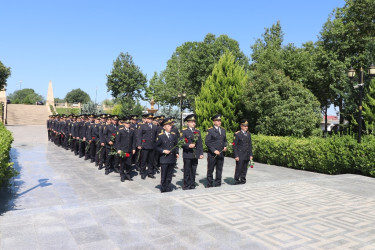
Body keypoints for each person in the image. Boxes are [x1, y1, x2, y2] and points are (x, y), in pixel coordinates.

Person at [156, 118, 179, 192]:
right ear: (164, 127)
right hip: (164, 159)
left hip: (172, 158)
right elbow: (156, 147)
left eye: (170, 126)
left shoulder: (173, 135)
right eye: (168, 126)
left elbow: (176, 145)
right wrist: (163, 151)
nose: (170, 127)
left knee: (169, 175)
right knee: (164, 175)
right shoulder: (160, 136)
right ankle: (163, 188)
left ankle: (168, 187)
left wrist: (177, 152)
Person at [181, 114, 204, 190]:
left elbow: (200, 143)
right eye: (192, 122)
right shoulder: (184, 131)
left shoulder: (197, 131)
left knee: (193, 170)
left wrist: (201, 153)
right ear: (188, 123)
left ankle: (192, 184)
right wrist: (188, 145)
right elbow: (181, 142)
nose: (194, 123)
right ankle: (186, 185)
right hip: (187, 154)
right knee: (187, 170)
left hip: (195, 154)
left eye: (194, 122)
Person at [205, 114, 227, 187]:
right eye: (217, 121)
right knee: (210, 169)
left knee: (219, 169)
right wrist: (214, 150)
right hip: (212, 154)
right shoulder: (210, 130)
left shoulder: (223, 130)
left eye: (220, 121)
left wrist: (225, 146)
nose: (219, 122)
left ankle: (218, 183)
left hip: (220, 153)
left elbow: (224, 140)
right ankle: (209, 184)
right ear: (214, 122)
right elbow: (207, 142)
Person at [137, 113, 158, 179]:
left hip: (152, 146)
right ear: (146, 119)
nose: (150, 120)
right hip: (145, 146)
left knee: (151, 160)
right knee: (144, 160)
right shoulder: (142, 126)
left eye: (151, 119)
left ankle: (150, 172)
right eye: (149, 118)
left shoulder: (155, 126)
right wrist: (139, 144)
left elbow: (156, 136)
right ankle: (142, 172)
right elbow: (139, 136)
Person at [115, 116, 136, 182]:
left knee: (129, 163)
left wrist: (133, 148)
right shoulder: (120, 131)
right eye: (127, 123)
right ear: (124, 124)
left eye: (129, 123)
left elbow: (134, 141)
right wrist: (118, 149)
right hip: (122, 149)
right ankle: (122, 175)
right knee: (122, 163)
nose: (128, 124)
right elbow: (117, 141)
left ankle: (128, 174)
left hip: (129, 149)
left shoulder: (132, 131)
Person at [233, 119, 253, 185]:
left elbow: (250, 145)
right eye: (244, 126)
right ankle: (236, 180)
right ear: (241, 126)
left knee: (245, 168)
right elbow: (234, 146)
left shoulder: (248, 134)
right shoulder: (237, 134)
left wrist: (251, 154)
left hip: (247, 154)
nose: (246, 127)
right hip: (240, 154)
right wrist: (236, 155)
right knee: (239, 167)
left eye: (247, 126)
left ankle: (243, 179)